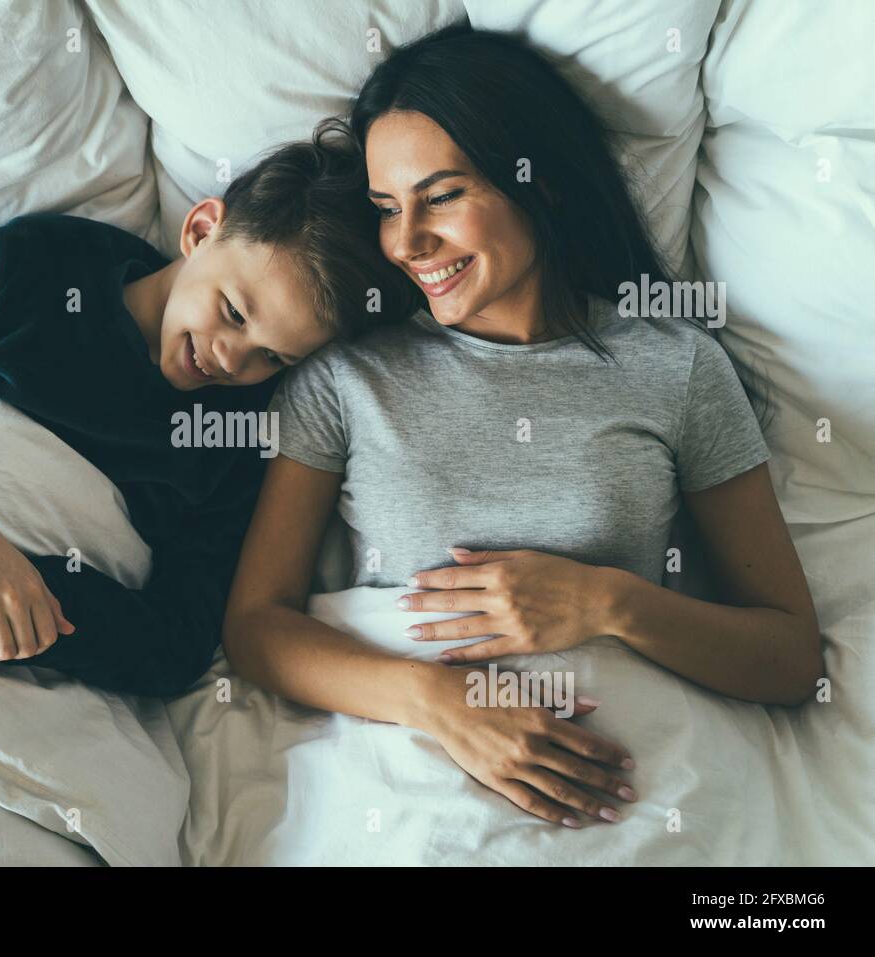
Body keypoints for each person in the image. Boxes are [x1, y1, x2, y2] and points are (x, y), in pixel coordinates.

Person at [223, 25, 823, 828]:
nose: (407, 241)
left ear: (541, 183)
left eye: (441, 196)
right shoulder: (347, 375)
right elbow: (257, 627)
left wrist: (608, 601)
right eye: (385, 209)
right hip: (416, 800)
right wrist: (438, 701)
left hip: (630, 802)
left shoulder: (674, 366)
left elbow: (789, 658)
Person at [0, 129, 415, 697]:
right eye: (234, 313)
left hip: (21, 658)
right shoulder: (35, 267)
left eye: (272, 356)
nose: (230, 359)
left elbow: (172, 647)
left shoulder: (239, 435)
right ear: (199, 231)